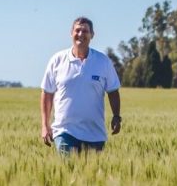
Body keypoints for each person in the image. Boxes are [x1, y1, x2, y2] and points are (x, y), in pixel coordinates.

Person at [40, 16, 122, 155]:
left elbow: (113, 91)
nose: (80, 35)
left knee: (93, 175)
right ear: (71, 33)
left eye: (85, 31)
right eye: (77, 30)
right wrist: (45, 125)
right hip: (64, 131)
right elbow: (47, 93)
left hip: (95, 134)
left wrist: (116, 116)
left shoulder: (103, 62)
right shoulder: (57, 60)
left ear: (92, 35)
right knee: (67, 171)